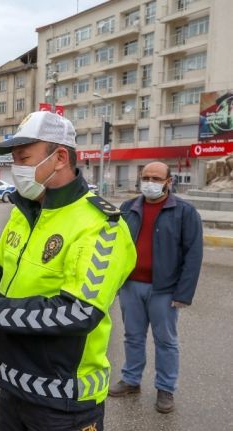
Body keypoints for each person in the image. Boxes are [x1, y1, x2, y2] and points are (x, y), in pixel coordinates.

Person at [0, 111, 137, 430]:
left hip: (65, 403)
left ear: (60, 157)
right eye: (14, 161)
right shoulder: (26, 211)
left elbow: (78, 313)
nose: (16, 169)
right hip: (13, 388)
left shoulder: (101, 226)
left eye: (24, 158)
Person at [108, 162, 203, 414]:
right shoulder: (128, 208)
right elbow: (115, 246)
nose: (150, 182)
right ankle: (131, 379)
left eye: (156, 178)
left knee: (166, 341)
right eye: (146, 177)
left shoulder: (184, 211)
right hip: (131, 286)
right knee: (133, 336)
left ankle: (165, 388)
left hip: (165, 290)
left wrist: (183, 293)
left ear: (169, 181)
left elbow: (193, 255)